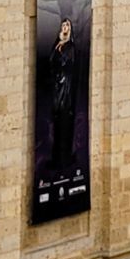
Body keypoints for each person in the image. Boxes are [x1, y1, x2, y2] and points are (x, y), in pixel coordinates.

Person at [49, 17, 77, 171]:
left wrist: (61, 53)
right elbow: (51, 62)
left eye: (67, 25)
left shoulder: (70, 46)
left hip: (66, 89)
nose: (65, 27)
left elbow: (68, 63)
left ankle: (65, 157)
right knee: (57, 124)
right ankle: (56, 157)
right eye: (63, 25)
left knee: (66, 124)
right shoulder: (57, 44)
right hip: (57, 87)